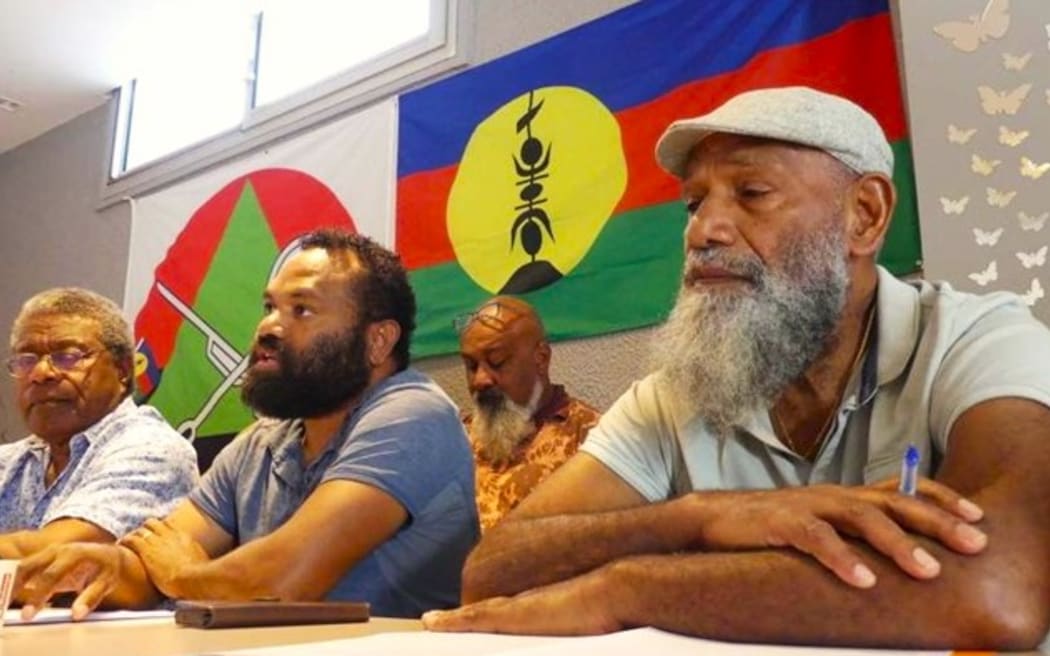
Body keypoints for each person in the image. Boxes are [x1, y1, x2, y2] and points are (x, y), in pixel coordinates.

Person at [422, 87, 1050, 649]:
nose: (703, 232)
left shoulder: (977, 340)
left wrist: (628, 587)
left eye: (751, 194)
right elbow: (493, 571)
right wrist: (699, 517)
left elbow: (998, 588)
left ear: (865, 214)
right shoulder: (673, 394)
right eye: (693, 204)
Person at [15, 229, 479, 619]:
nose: (268, 328)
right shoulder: (262, 441)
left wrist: (183, 576)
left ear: (377, 341)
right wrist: (106, 566)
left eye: (302, 310)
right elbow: (153, 557)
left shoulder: (414, 413)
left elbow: (284, 580)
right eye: (269, 307)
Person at [1, 288, 198, 558]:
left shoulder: (153, 450)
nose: (41, 373)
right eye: (26, 360)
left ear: (123, 371)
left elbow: (55, 557)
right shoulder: (14, 460)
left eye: (67, 357)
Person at [457, 296, 599, 530]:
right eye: (471, 366)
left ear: (541, 358)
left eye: (497, 362)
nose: (480, 380)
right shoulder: (456, 439)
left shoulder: (591, 439)